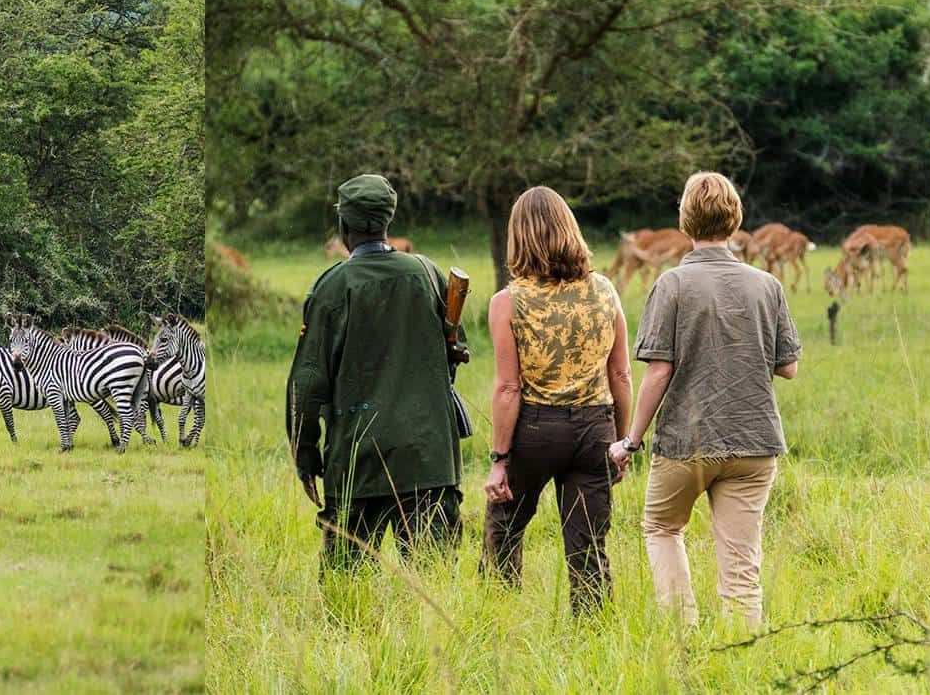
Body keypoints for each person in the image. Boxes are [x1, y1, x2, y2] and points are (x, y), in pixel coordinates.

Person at [611, 171, 800, 627]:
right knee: (742, 565)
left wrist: (630, 441)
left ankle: (684, 635)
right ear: (736, 220)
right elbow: (788, 366)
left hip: (685, 442)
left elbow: (659, 369)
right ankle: (741, 658)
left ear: (685, 221)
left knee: (661, 527)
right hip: (754, 441)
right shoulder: (767, 285)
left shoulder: (672, 285)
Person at [287, 174, 465, 570]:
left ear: (343, 226)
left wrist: (305, 456)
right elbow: (456, 353)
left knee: (345, 584)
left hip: (357, 458)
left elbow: (308, 382)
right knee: (433, 583)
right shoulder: (429, 274)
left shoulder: (332, 287)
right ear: (389, 219)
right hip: (429, 458)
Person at [482, 186, 632, 614]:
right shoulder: (605, 291)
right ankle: (592, 634)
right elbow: (620, 373)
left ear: (519, 238)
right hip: (595, 429)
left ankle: (499, 617)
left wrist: (499, 460)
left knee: (504, 527)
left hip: (535, 429)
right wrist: (621, 443)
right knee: (587, 547)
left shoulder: (507, 302)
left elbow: (509, 388)